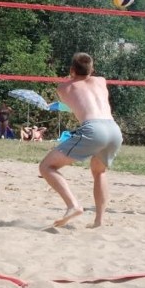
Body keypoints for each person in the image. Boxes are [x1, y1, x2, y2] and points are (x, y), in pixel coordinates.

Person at [39, 52, 123, 228]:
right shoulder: (101, 81)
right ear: (92, 69)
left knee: (47, 167)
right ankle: (99, 221)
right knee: (99, 172)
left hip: (94, 128)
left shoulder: (63, 88)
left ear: (71, 70)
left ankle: (73, 205)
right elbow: (88, 79)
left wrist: (70, 77)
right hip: (114, 129)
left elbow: (69, 92)